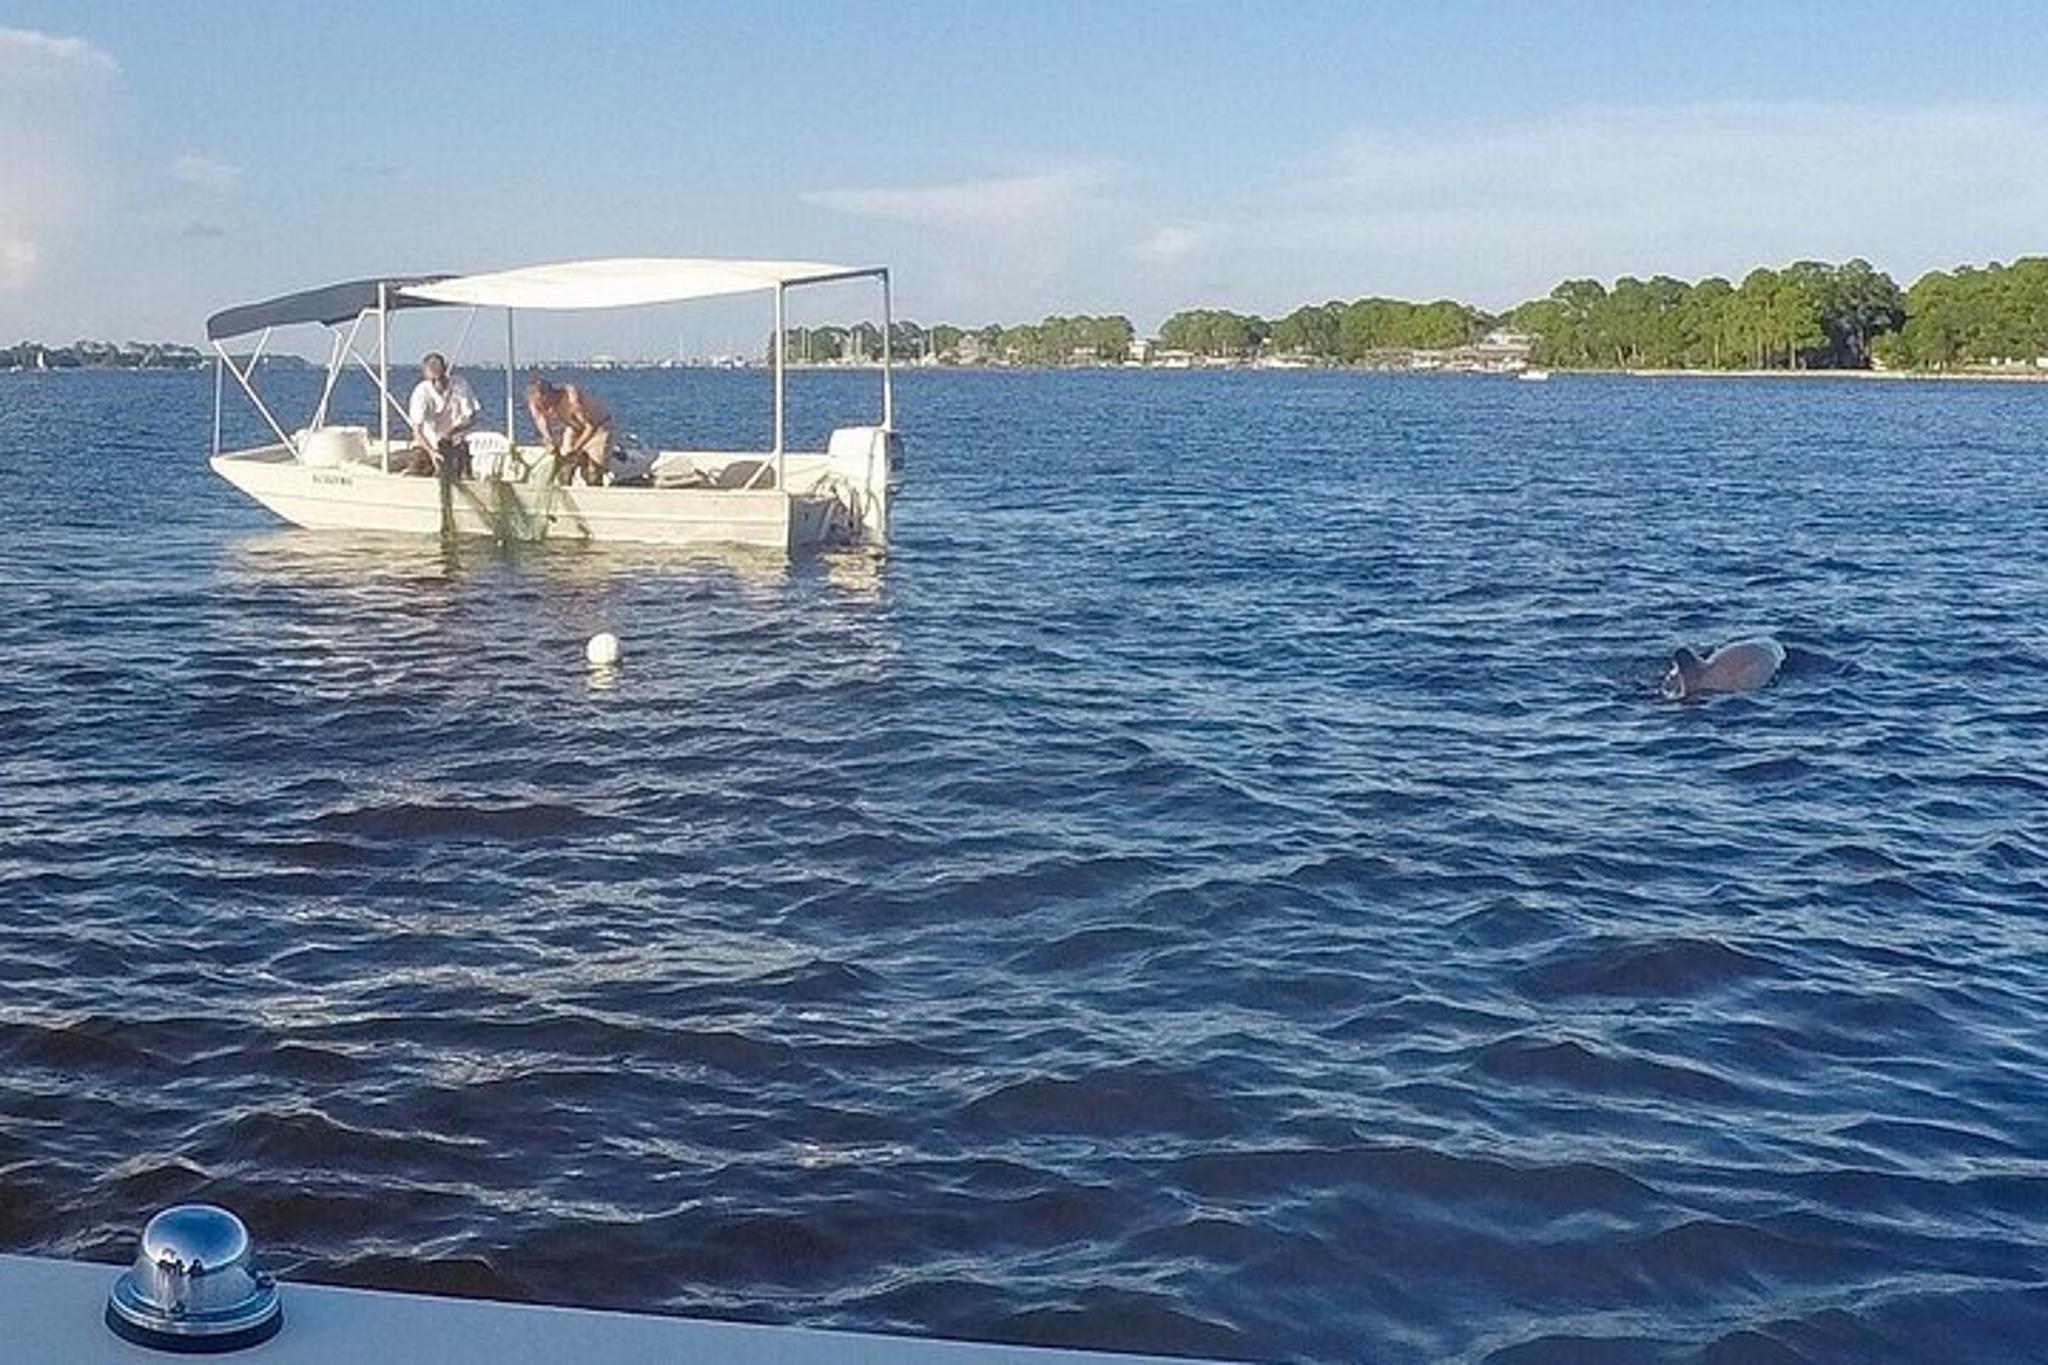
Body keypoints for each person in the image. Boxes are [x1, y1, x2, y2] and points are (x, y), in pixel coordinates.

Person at [527, 376, 614, 485]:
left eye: (544, 402)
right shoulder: (535, 402)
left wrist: (575, 449)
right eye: (538, 404)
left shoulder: (572, 399)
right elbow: (539, 418)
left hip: (599, 427)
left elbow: (590, 427)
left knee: (593, 471)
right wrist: (549, 439)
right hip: (574, 427)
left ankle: (595, 490)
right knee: (564, 465)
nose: (544, 407)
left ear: (550, 394)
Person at [403, 352, 479, 478]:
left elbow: (471, 418)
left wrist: (452, 431)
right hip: (428, 444)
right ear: (426, 374)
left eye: (440, 375)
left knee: (462, 472)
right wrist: (432, 452)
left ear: (445, 369)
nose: (438, 382)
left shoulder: (460, 385)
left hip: (455, 443)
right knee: (416, 468)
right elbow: (417, 431)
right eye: (433, 377)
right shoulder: (421, 392)